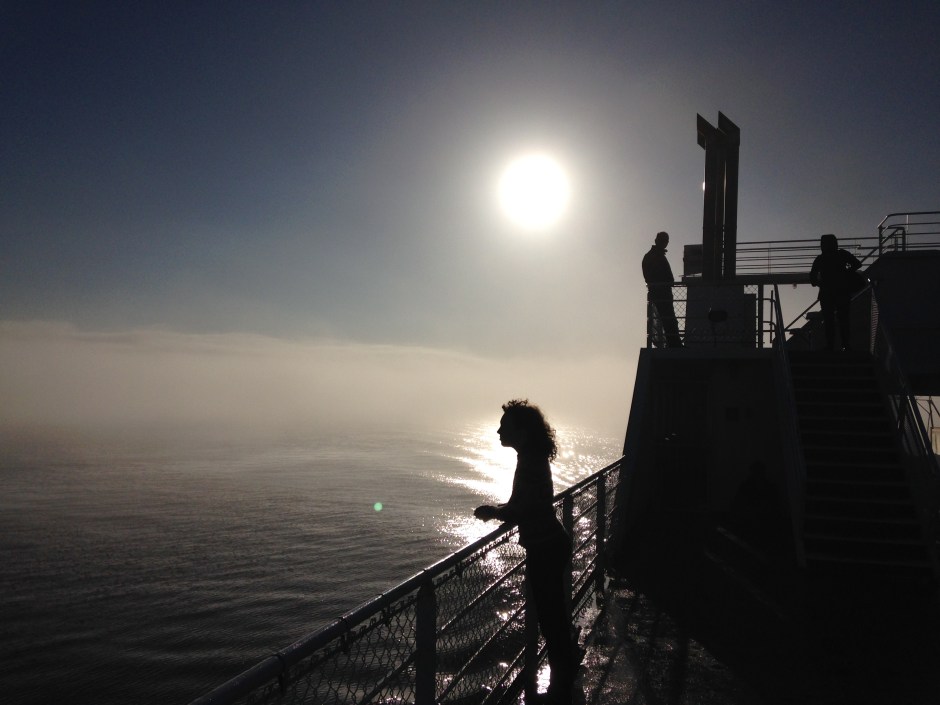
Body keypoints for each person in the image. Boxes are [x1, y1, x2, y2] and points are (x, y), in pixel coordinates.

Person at [474, 400, 576, 705]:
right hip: (548, 544)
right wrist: (501, 509)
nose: (499, 430)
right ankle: (563, 683)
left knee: (552, 621)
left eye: (505, 426)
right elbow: (525, 502)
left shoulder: (530, 460)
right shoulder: (531, 457)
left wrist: (495, 512)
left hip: (545, 547)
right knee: (554, 618)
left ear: (522, 430)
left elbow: (525, 508)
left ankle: (560, 691)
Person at [810, 234, 863, 351]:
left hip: (826, 293)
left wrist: (821, 283)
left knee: (829, 321)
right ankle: (845, 345)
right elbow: (858, 264)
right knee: (844, 319)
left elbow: (812, 279)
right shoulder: (842, 254)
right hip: (842, 291)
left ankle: (830, 346)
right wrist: (847, 272)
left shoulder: (820, 259)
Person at [642, 231, 683, 347]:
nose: (666, 243)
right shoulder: (654, 257)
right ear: (657, 241)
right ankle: (675, 345)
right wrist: (664, 283)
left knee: (668, 320)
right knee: (668, 319)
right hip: (661, 293)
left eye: (666, 241)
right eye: (664, 240)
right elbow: (651, 276)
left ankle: (674, 344)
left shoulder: (653, 256)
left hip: (661, 293)